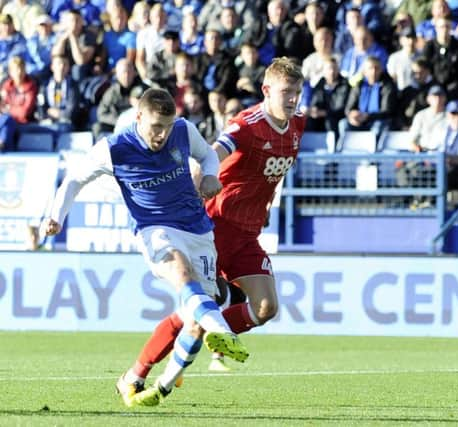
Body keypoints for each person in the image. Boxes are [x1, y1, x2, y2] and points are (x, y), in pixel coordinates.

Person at [42, 87, 249, 407]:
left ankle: (154, 384)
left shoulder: (181, 130)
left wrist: (210, 175)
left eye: (166, 126)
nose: (162, 135)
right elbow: (74, 179)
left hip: (198, 229)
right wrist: (56, 217)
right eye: (155, 127)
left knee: (194, 318)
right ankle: (222, 330)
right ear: (138, 117)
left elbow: (208, 153)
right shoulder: (114, 147)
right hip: (154, 228)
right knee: (182, 274)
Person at [119, 57, 305, 403]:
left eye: (297, 91)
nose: (293, 99)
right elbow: (215, 151)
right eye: (286, 92)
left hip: (248, 233)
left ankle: (209, 334)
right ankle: (144, 378)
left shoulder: (298, 125)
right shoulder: (245, 125)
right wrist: (202, 177)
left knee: (265, 307)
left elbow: (269, 175)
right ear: (266, 91)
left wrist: (260, 205)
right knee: (194, 314)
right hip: (216, 228)